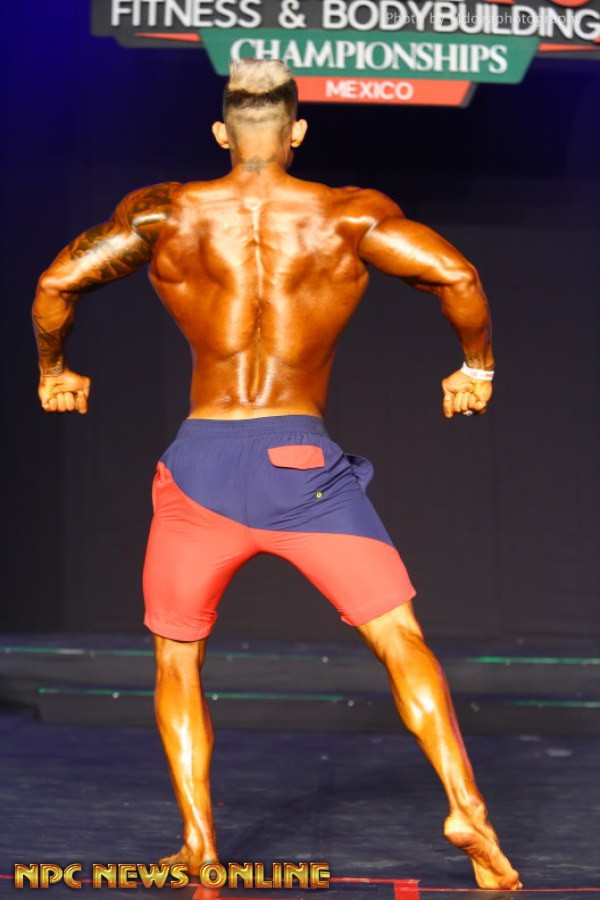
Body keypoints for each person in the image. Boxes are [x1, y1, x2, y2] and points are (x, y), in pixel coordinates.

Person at [32, 59, 520, 891]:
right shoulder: (349, 216)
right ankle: (466, 807)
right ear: (298, 131)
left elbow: (56, 284)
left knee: (177, 662)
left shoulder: (164, 212)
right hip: (303, 471)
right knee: (401, 639)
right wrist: (476, 366)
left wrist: (54, 370)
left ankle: (200, 847)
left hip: (200, 470)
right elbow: (459, 277)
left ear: (221, 133)